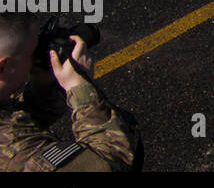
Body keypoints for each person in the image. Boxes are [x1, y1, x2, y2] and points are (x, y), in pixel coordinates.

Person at [0, 13, 139, 171]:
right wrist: (80, 90)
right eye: (32, 52)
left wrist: (44, 85)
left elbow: (18, 119)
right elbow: (112, 161)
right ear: (4, 66)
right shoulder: (19, 154)